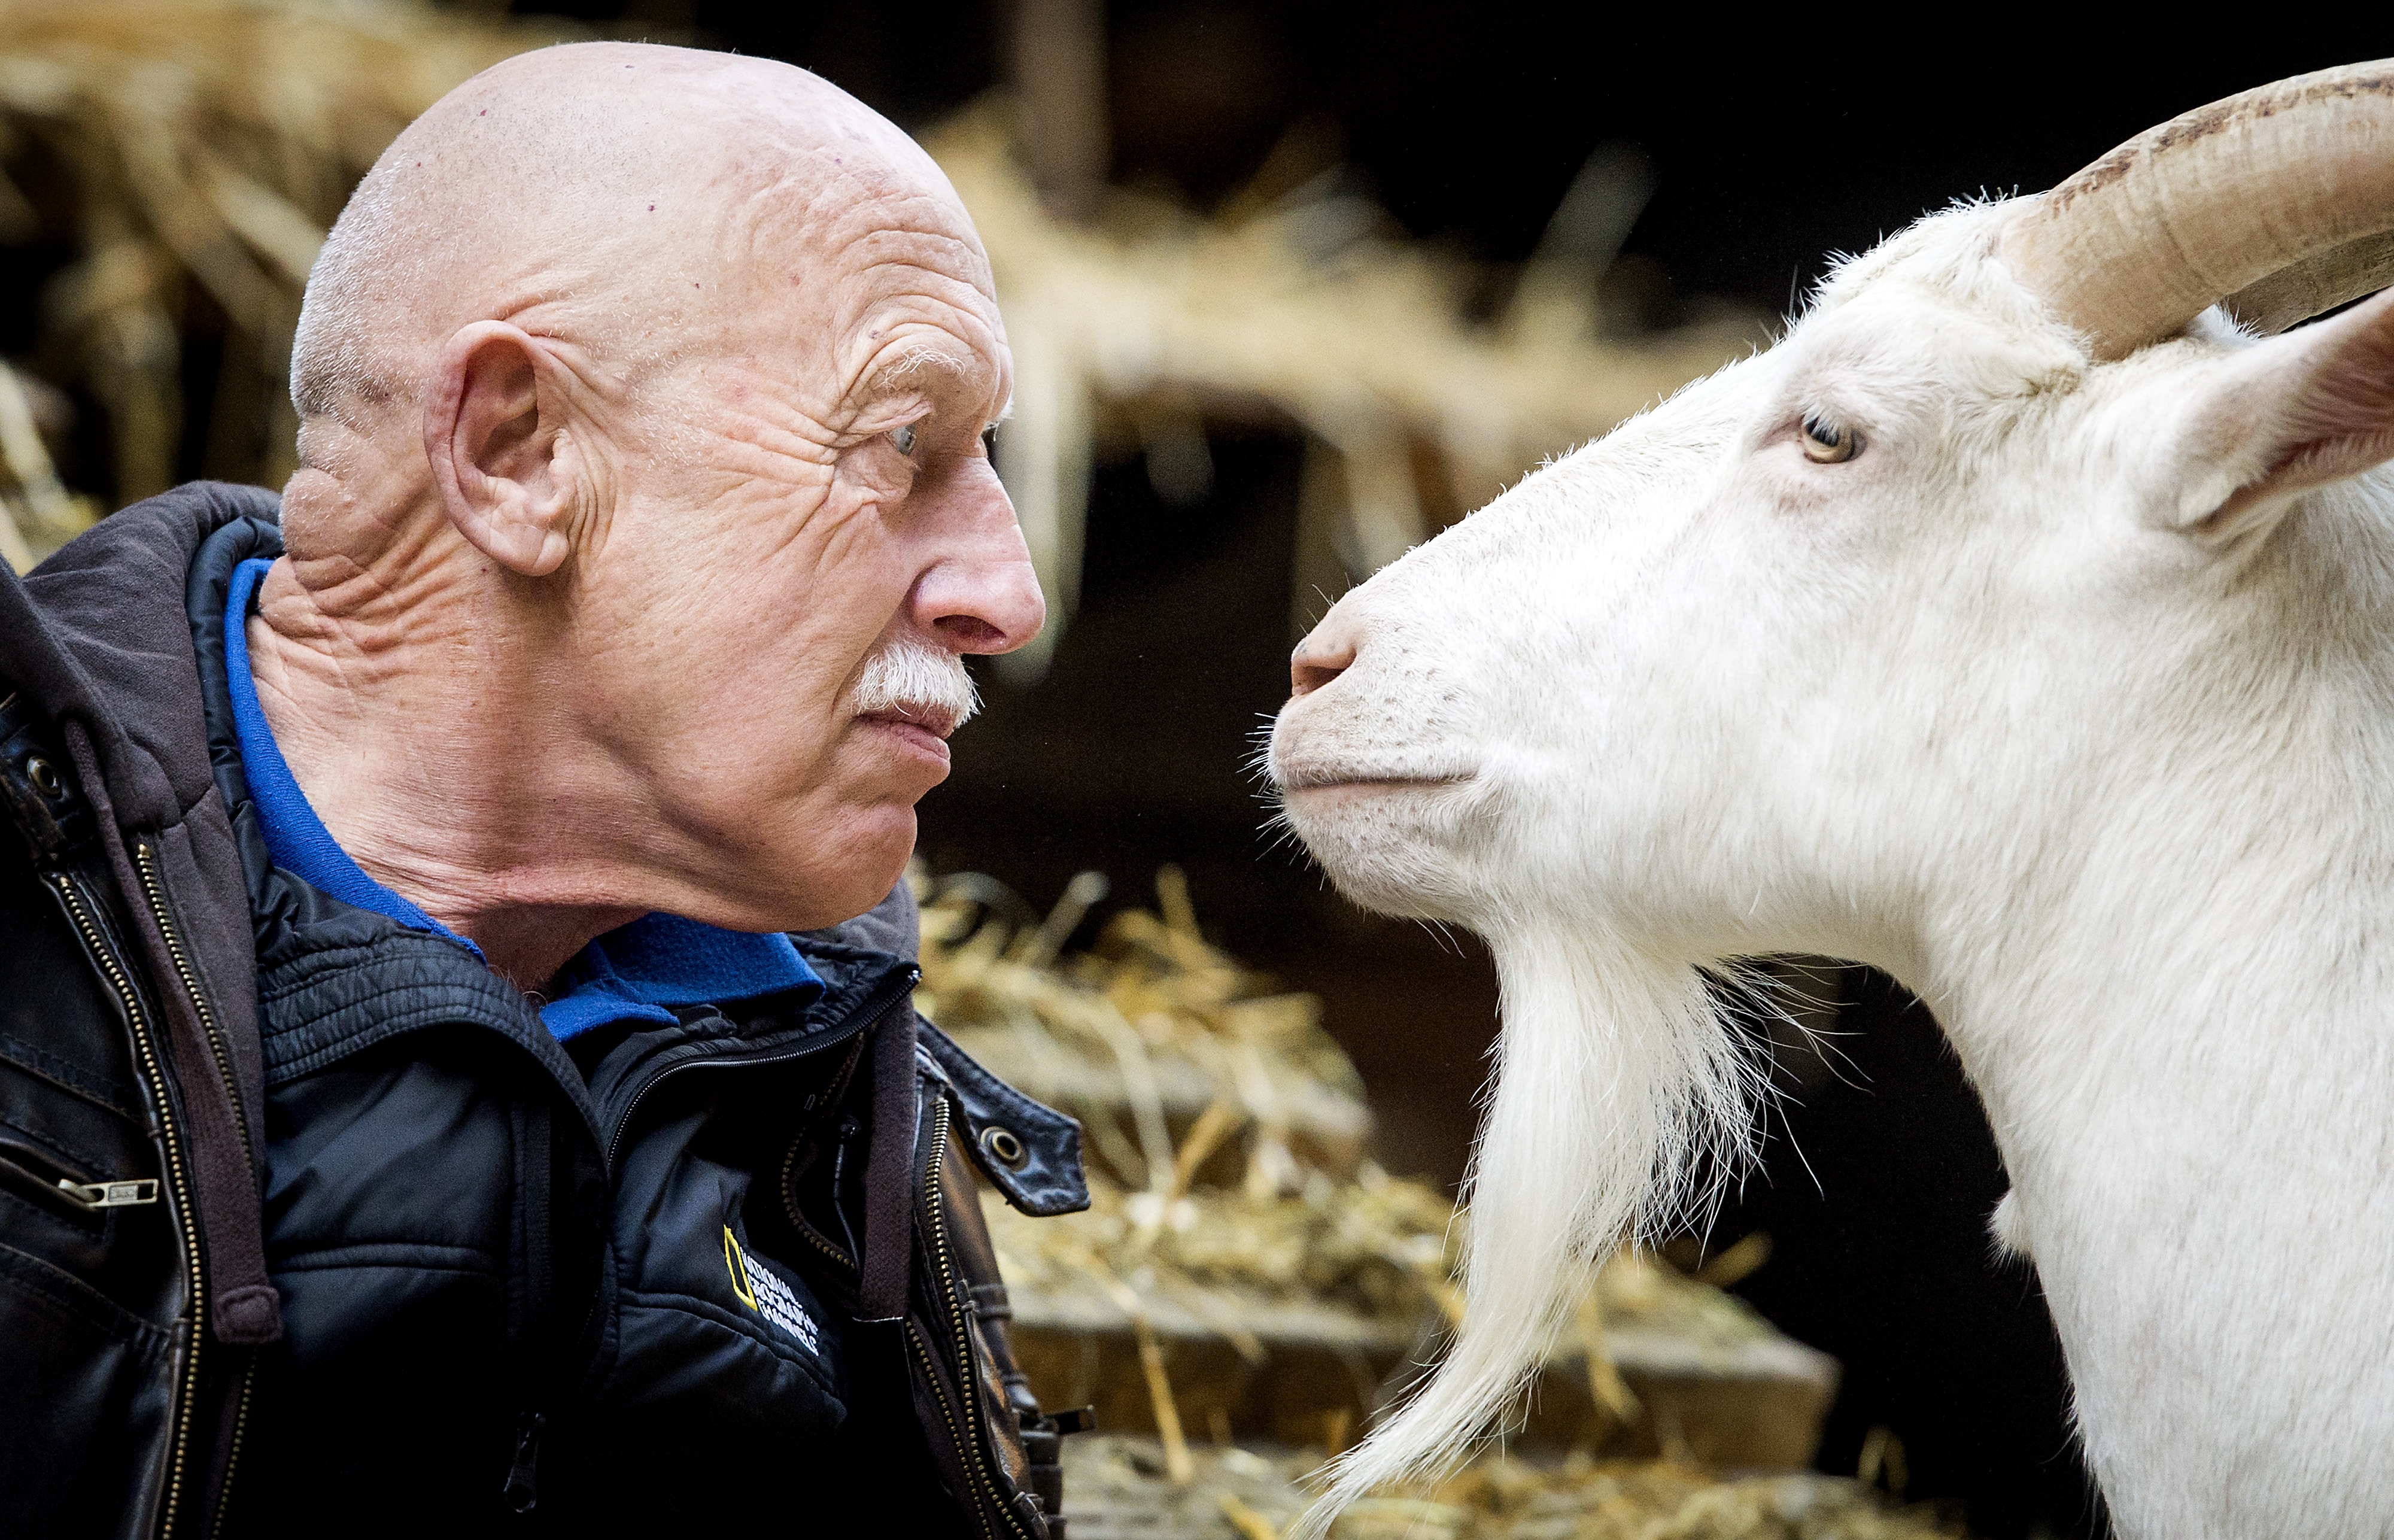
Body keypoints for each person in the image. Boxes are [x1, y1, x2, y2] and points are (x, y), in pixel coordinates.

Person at [0, 41, 1086, 1536]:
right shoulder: (27, 924)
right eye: (903, 441)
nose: (1007, 594)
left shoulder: (824, 1076)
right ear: (518, 451)